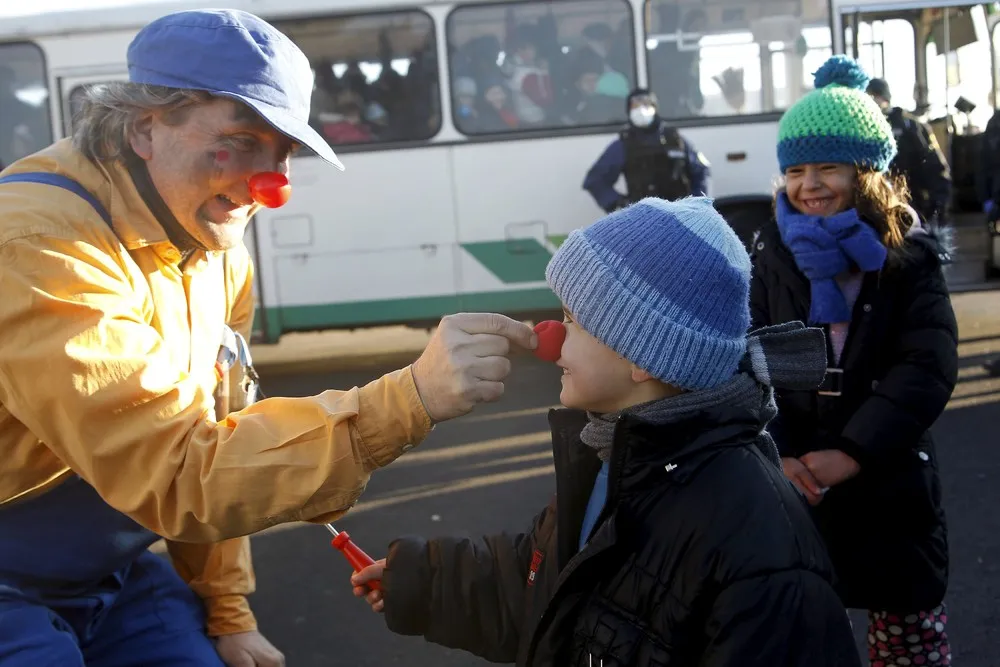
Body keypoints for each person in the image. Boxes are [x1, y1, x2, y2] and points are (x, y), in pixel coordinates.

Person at [0, 9, 536, 667]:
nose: (269, 185)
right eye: (240, 142)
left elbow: (218, 425)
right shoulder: (37, 246)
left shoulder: (213, 245)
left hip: (106, 567)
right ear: (144, 128)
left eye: (284, 152)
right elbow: (178, 470)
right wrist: (410, 398)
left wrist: (228, 612)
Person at [349, 197, 864, 666]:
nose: (548, 338)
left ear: (643, 355)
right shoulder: (614, 456)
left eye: (572, 320)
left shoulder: (756, 543)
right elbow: (549, 585)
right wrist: (419, 580)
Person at [752, 56, 958, 667]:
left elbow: (925, 366)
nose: (808, 185)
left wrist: (852, 452)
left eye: (827, 167)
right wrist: (781, 453)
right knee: (812, 636)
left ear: (866, 173)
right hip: (798, 481)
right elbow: (753, 358)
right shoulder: (772, 253)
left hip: (890, 475)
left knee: (908, 638)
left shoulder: (908, 256)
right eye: (795, 170)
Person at [583, 88, 710, 214]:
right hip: (644, 217)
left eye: (646, 104)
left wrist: (696, 205)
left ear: (654, 107)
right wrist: (621, 205)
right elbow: (595, 180)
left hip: (679, 213)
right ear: (629, 111)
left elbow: (701, 170)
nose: (641, 109)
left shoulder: (674, 139)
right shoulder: (623, 144)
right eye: (635, 106)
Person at [866, 77, 952, 227]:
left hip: (911, 208)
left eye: (876, 96)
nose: (874, 102)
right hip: (872, 212)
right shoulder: (861, 130)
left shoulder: (911, 127)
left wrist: (938, 206)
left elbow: (935, 168)